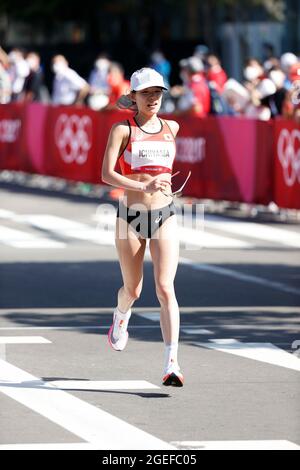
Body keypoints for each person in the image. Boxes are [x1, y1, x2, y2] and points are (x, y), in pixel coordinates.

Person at [101, 67, 184, 387]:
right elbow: (106, 174)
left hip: (165, 214)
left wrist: (162, 186)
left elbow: (165, 170)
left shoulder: (172, 127)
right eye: (146, 93)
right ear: (133, 97)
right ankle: (120, 317)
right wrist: (144, 185)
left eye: (158, 93)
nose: (153, 99)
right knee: (133, 289)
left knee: (165, 287)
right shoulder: (122, 130)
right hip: (130, 217)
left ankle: (171, 363)